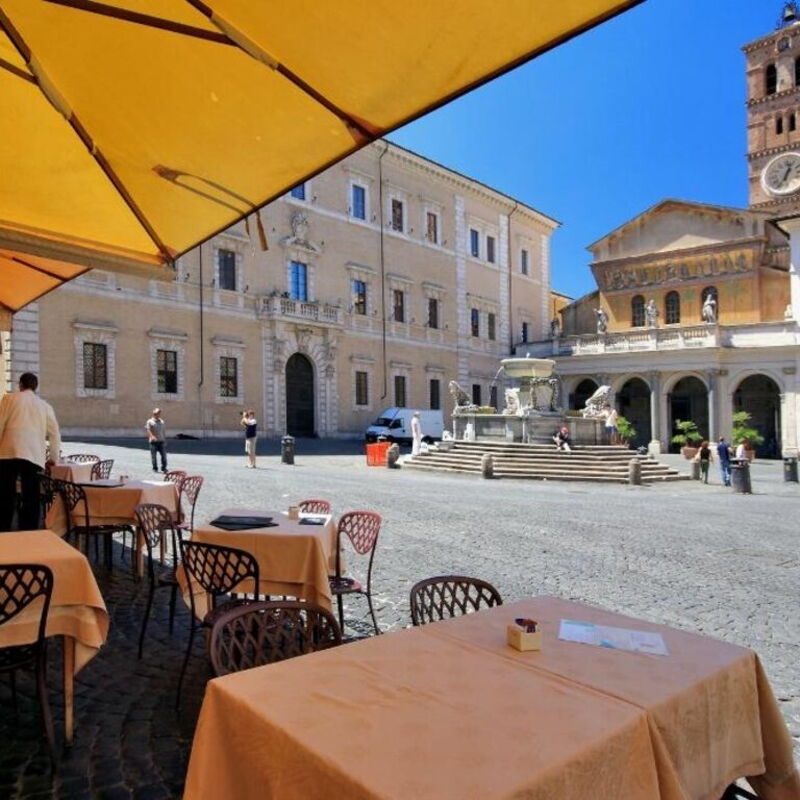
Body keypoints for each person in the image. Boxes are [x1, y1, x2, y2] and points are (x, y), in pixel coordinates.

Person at [0, 372, 61, 531]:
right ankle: (29, 532)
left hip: (8, 451)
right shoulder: (45, 406)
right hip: (33, 455)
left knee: (5, 494)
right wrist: (53, 458)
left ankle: (3, 530)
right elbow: (55, 434)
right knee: (31, 496)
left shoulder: (8, 399)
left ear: (20, 385)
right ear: (35, 387)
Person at [145, 408, 167, 473]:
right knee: (154, 456)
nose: (158, 414)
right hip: (153, 442)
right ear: (154, 414)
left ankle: (164, 468)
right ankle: (155, 468)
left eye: (159, 413)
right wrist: (152, 436)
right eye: (157, 413)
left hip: (161, 441)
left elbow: (163, 431)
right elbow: (148, 430)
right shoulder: (150, 421)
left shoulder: (162, 421)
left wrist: (164, 439)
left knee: (164, 456)